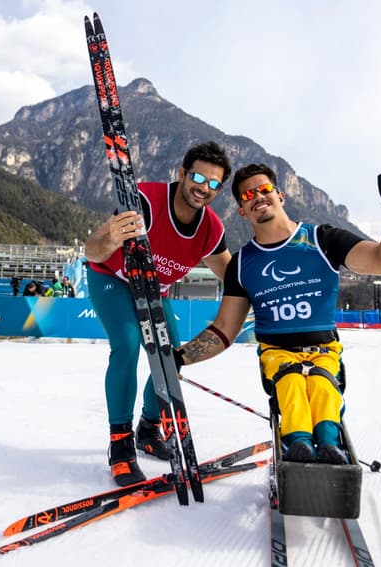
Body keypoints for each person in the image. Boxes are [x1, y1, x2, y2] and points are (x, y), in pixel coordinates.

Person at [175, 163, 381, 465]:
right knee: (291, 384)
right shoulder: (242, 264)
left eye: (264, 189)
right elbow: (223, 328)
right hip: (277, 354)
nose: (257, 196)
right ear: (241, 211)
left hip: (323, 350)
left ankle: (330, 444)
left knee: (322, 385)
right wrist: (180, 357)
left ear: (280, 195)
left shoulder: (323, 240)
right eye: (248, 195)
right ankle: (297, 443)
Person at [84, 141, 233, 486]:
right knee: (127, 344)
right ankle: (120, 444)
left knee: (171, 357)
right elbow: (92, 251)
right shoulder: (145, 201)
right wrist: (111, 240)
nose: (203, 188)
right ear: (182, 174)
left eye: (213, 184)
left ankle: (148, 428)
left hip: (154, 290)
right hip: (112, 277)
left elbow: (233, 277)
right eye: (198, 178)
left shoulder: (210, 229)